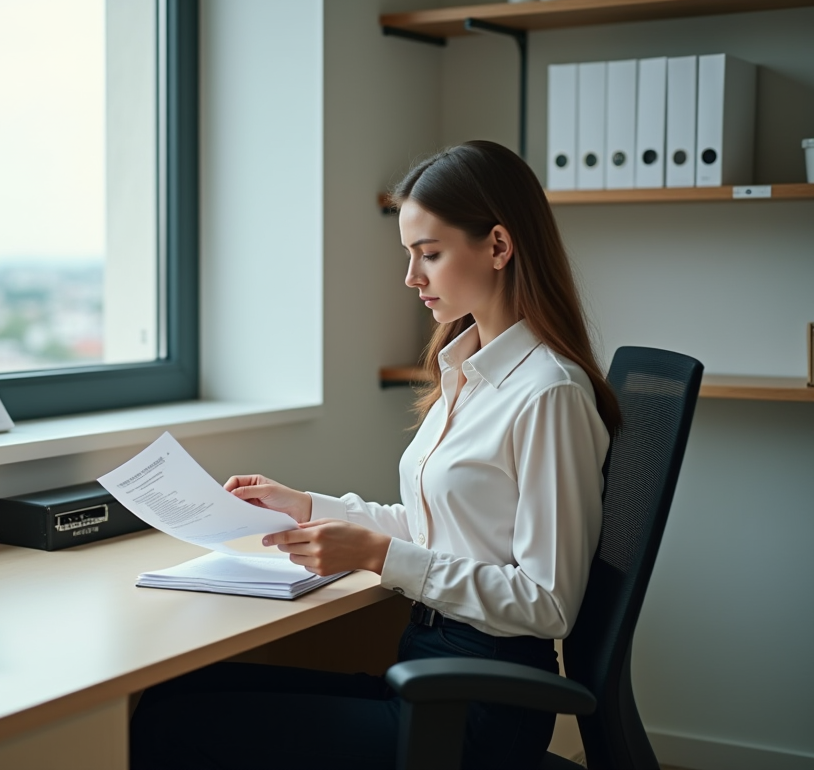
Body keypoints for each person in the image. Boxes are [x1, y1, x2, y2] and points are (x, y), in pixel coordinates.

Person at [129, 140, 621, 770]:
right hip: (427, 670)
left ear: (498, 246)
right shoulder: (464, 369)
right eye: (410, 256)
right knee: (180, 691)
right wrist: (305, 505)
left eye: (430, 255)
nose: (411, 279)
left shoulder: (547, 393)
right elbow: (439, 529)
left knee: (175, 724)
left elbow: (548, 603)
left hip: (479, 708)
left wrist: (380, 557)